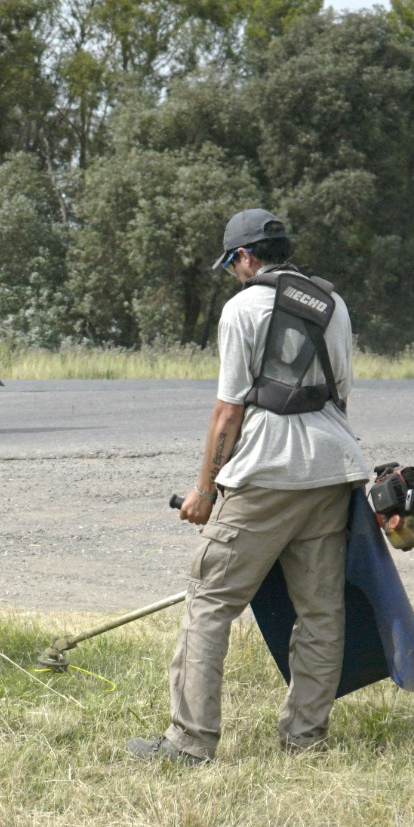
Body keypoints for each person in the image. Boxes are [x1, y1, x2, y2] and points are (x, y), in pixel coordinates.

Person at [127, 208, 370, 767]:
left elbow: (228, 411)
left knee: (209, 601)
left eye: (232, 263)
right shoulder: (333, 305)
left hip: (263, 475)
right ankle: (304, 739)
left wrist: (204, 490)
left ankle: (190, 743)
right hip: (332, 472)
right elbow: (342, 396)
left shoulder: (243, 308)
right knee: (320, 612)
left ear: (244, 257)